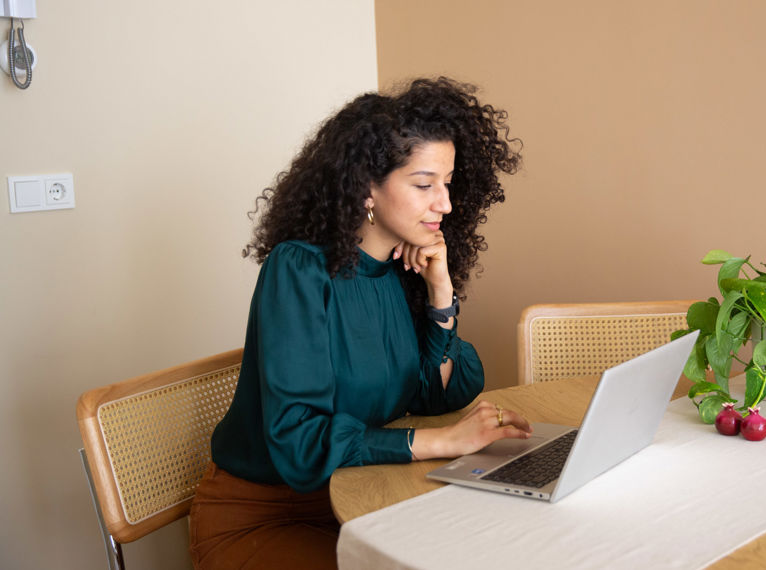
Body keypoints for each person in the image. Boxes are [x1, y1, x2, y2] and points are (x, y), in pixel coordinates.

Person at [188, 77, 528, 569]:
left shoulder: (400, 271)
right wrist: (442, 442)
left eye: (448, 183)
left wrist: (441, 292)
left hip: (364, 495)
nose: (445, 204)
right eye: (424, 185)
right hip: (267, 515)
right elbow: (299, 440)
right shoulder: (299, 270)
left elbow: (437, 395)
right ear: (367, 185)